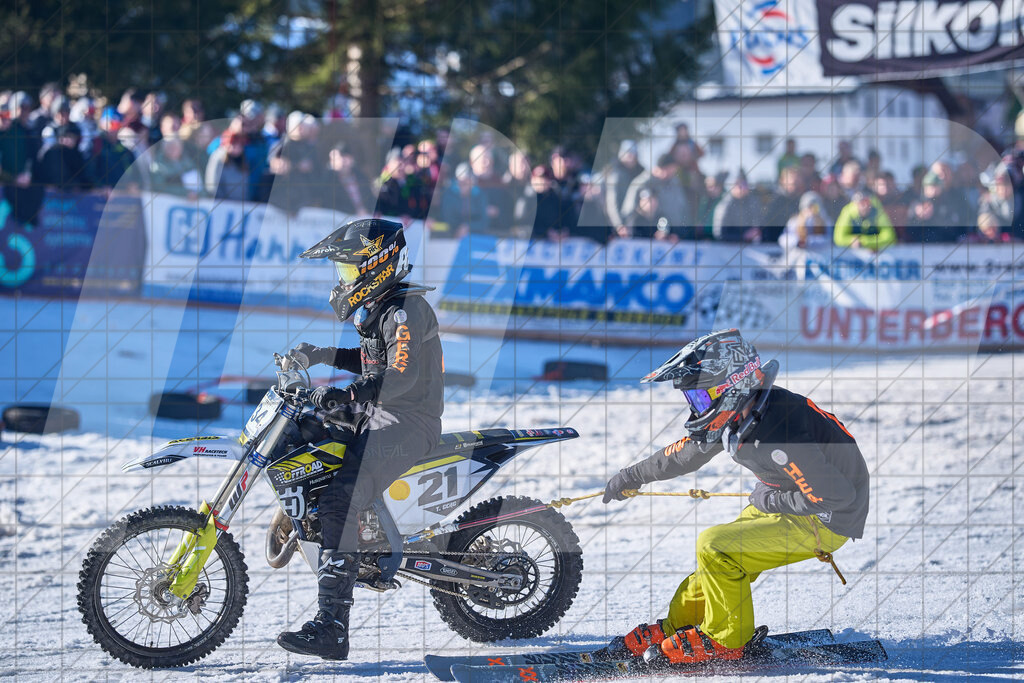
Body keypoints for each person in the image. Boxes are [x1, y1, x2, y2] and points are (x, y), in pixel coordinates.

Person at [602, 329, 869, 666]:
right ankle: (681, 626)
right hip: (796, 500)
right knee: (715, 562)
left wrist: (770, 500)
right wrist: (631, 476)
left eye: (699, 397)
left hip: (828, 517)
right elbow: (686, 454)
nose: (696, 407)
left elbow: (836, 496)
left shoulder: (777, 433)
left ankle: (726, 640)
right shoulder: (743, 411)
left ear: (731, 386)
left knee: (715, 546)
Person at [277, 218, 444, 660]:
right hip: (380, 414)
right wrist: (321, 356)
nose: (344, 281)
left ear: (379, 265)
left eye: (349, 272)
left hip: (408, 423)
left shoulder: (404, 309)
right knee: (309, 440)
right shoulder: (384, 308)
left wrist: (344, 394)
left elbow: (399, 375)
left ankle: (332, 626)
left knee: (341, 498)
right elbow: (372, 360)